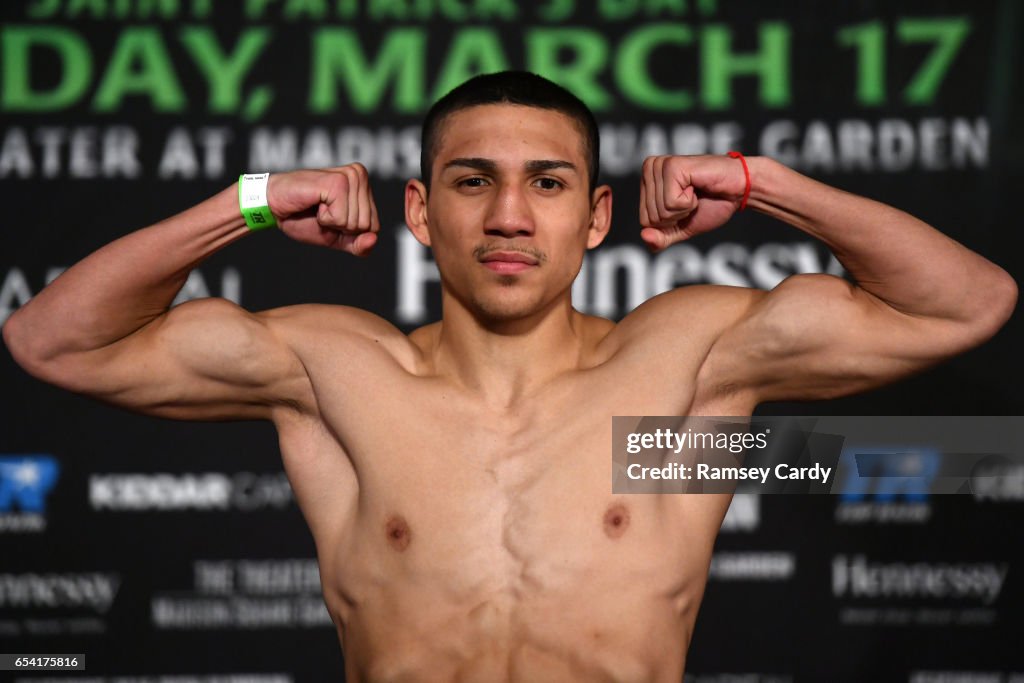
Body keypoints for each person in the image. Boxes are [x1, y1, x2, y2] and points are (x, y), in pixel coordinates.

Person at [1, 71, 1016, 682]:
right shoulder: (337, 371)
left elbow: (965, 303)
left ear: (596, 216)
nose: (509, 217)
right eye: (472, 180)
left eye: (549, 182)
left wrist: (764, 183)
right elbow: (54, 342)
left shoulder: (685, 364)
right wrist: (253, 200)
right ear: (420, 210)